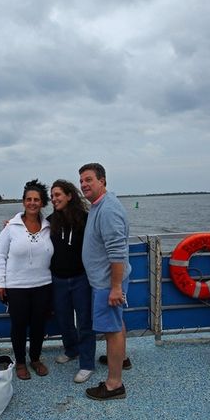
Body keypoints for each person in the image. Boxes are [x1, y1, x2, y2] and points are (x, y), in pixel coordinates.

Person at [79, 163, 131, 401]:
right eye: (81, 181)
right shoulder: (98, 206)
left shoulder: (108, 209)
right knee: (116, 323)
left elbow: (117, 251)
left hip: (107, 283)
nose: (84, 185)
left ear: (102, 181)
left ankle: (114, 384)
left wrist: (116, 287)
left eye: (89, 180)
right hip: (104, 281)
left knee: (111, 331)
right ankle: (120, 359)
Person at [0, 179, 54, 380]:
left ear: (43, 203)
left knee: (39, 325)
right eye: (29, 199)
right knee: (18, 326)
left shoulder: (49, 227)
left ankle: (35, 359)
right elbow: (0, 256)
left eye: (37, 199)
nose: (32, 203)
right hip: (17, 286)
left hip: (43, 285)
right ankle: (20, 362)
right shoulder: (10, 228)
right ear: (23, 202)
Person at [48, 179, 96, 383]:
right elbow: (28, 228)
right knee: (63, 318)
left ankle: (87, 364)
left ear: (69, 196)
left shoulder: (86, 219)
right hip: (58, 279)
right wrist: (10, 224)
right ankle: (71, 349)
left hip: (80, 278)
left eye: (57, 195)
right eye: (52, 196)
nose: (54, 199)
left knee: (85, 321)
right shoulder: (49, 221)